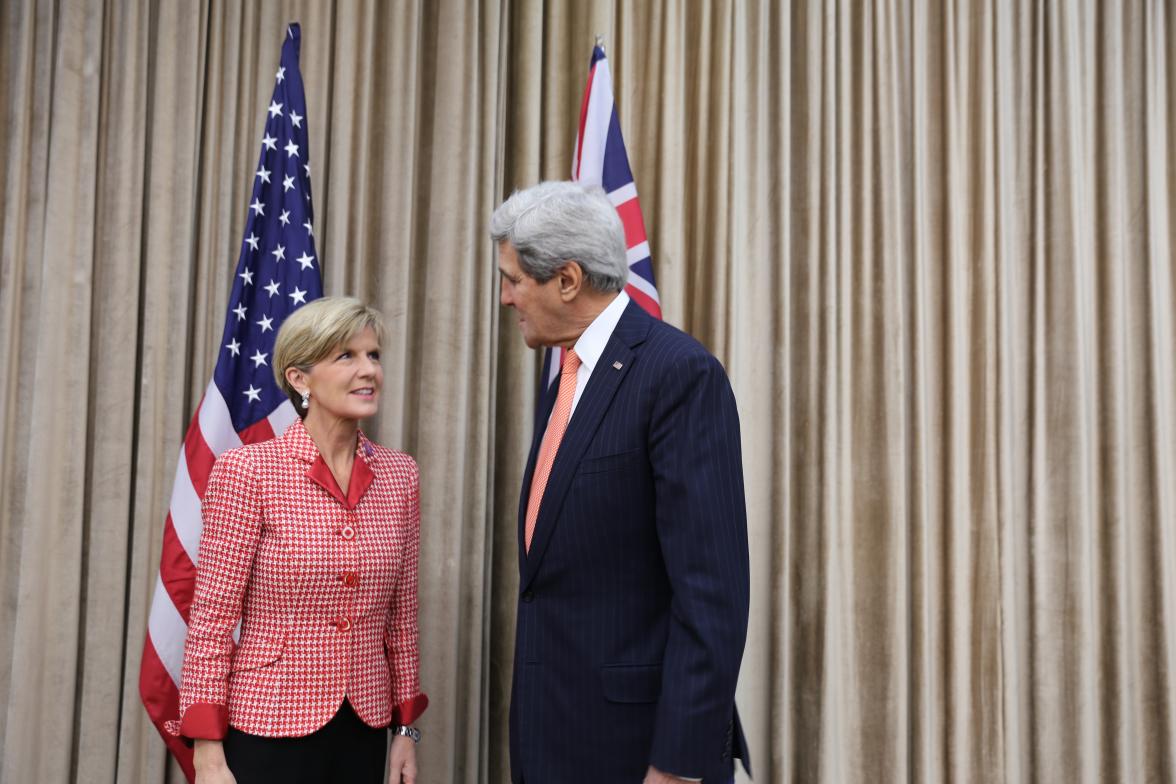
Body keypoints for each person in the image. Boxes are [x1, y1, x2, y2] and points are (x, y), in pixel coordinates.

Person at [490, 181, 751, 784]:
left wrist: (679, 763)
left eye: (513, 279)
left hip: (639, 755)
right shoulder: (563, 382)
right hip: (553, 738)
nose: (506, 298)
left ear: (568, 279)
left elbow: (712, 593)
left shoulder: (677, 374)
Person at [166, 297, 428, 784]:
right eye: (345, 356)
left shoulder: (401, 474)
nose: (368, 370)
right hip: (267, 725)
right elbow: (212, 620)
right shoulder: (248, 471)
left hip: (364, 729)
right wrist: (207, 752)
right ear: (300, 378)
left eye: (373, 355)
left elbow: (402, 618)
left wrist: (405, 732)